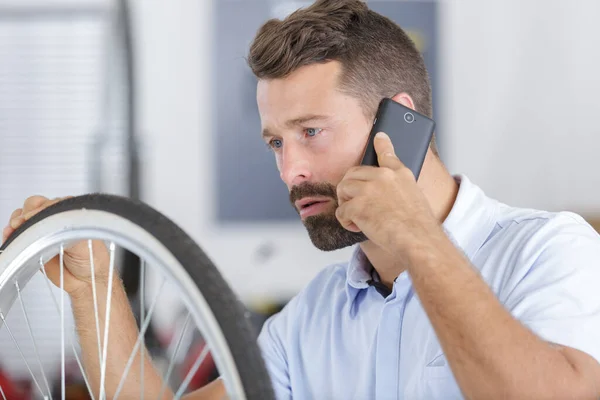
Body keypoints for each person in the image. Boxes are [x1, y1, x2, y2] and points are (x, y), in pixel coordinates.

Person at [4, 0, 600, 398]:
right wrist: (93, 290)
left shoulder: (548, 250)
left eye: (311, 133)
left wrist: (417, 238)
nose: (290, 170)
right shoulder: (316, 316)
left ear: (401, 120)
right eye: (275, 143)